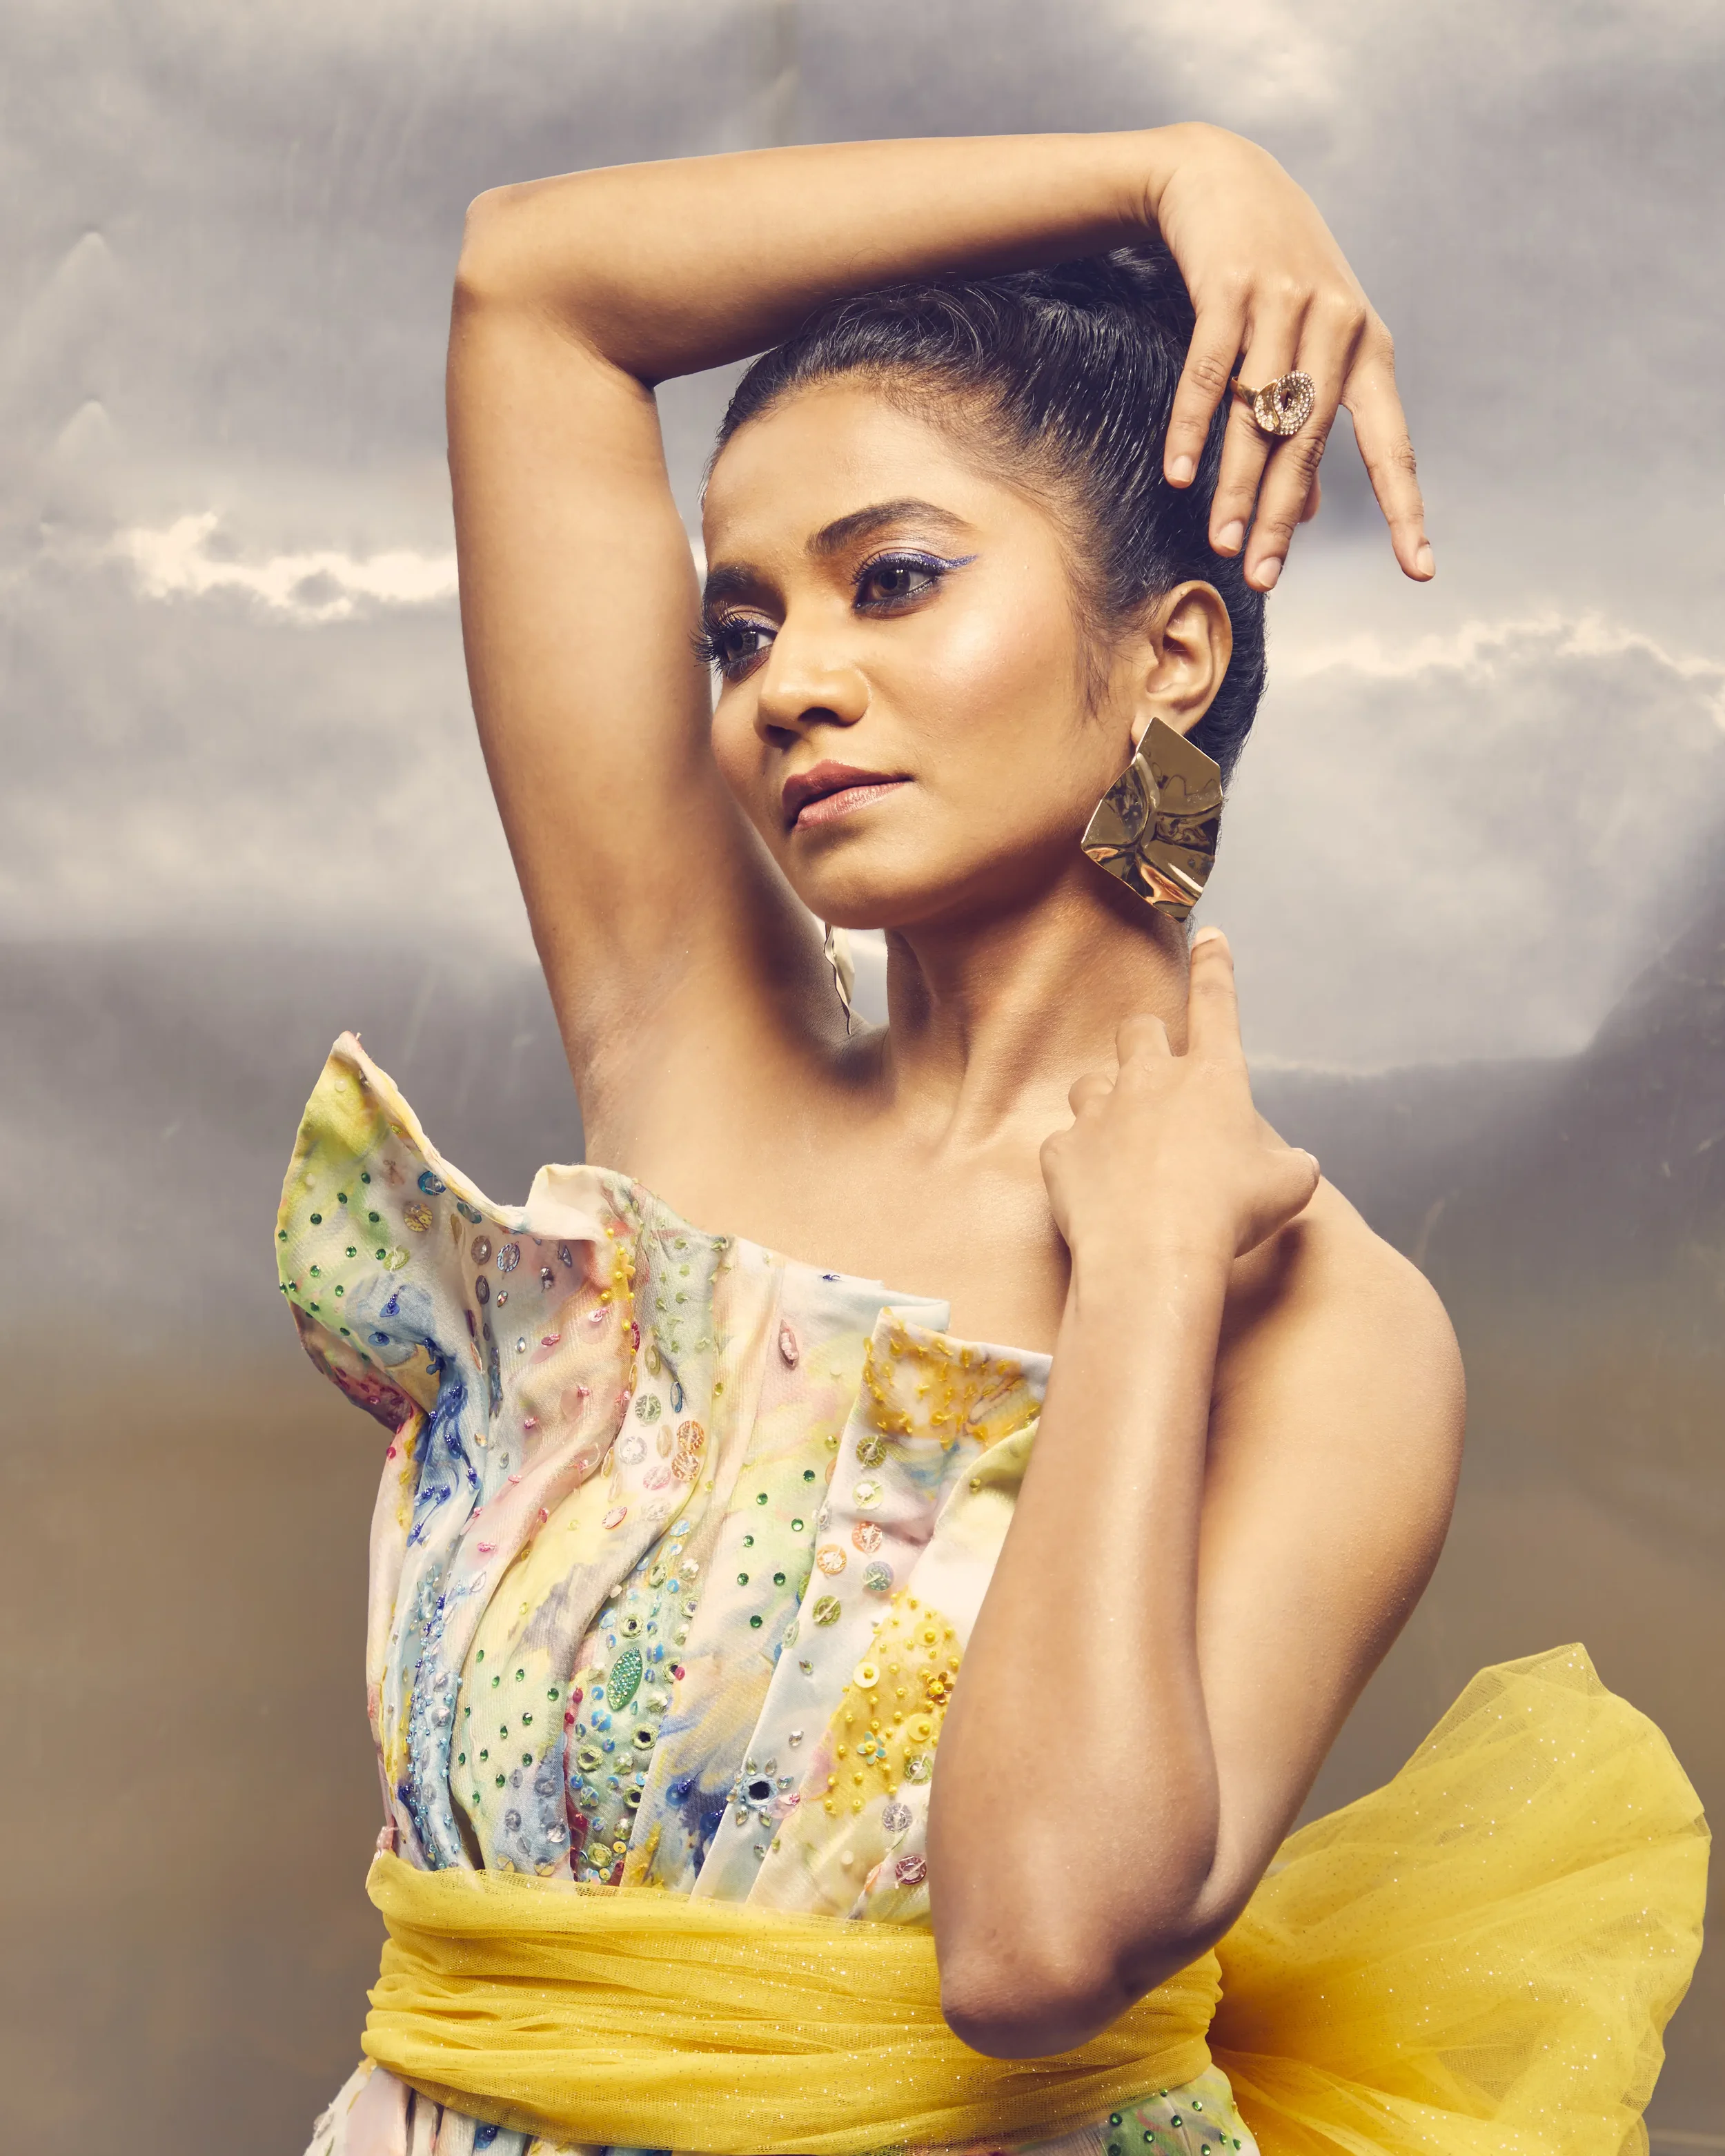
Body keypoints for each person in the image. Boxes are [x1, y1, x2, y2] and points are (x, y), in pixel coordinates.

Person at [281, 129, 1705, 2156]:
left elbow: (1035, 1948)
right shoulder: (693, 1054)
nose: (792, 683)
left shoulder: (1326, 1331)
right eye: (739, 630)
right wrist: (1161, 175)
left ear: (1169, 658)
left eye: (894, 578)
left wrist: (1144, 1278)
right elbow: (537, 290)